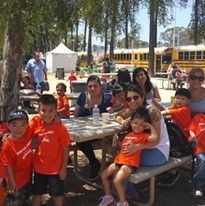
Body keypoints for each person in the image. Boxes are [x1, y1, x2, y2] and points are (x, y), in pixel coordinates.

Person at [115, 84, 170, 197]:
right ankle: (128, 194)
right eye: (129, 99)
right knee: (120, 157)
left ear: (142, 97)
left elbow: (157, 139)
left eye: (135, 97)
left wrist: (139, 146)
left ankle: (121, 198)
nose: (132, 101)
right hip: (146, 148)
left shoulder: (151, 111)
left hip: (159, 151)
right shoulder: (136, 111)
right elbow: (118, 115)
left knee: (123, 161)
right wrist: (122, 122)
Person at [99, 107, 158, 206]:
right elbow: (122, 147)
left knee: (117, 180)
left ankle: (123, 203)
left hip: (130, 163)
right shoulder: (129, 134)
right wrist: (117, 139)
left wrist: (151, 127)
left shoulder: (143, 135)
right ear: (131, 122)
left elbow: (155, 138)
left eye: (141, 124)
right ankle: (108, 197)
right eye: (135, 122)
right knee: (103, 175)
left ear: (145, 126)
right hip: (119, 161)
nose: (137, 126)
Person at [30, 94, 71, 206]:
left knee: (57, 195)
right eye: (43, 110)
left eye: (51, 111)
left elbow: (66, 148)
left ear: (56, 110)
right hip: (39, 169)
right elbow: (23, 132)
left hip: (56, 170)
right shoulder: (35, 124)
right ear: (38, 111)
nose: (47, 114)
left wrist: (64, 168)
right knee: (37, 194)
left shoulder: (60, 127)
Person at [74, 75, 112, 179]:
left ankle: (109, 167)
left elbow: (120, 105)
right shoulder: (82, 97)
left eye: (95, 86)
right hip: (85, 131)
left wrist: (111, 110)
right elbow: (76, 115)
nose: (92, 89)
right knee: (80, 140)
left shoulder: (107, 97)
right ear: (87, 87)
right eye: (90, 86)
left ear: (100, 86)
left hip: (103, 132)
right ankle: (94, 162)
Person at [1, 110, 33, 206]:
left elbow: (40, 118)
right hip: (15, 182)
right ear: (8, 125)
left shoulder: (27, 132)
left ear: (27, 125)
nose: (19, 129)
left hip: (27, 177)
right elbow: (7, 165)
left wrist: (56, 118)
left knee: (25, 199)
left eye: (22, 124)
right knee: (15, 202)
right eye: (14, 125)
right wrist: (11, 182)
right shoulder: (7, 145)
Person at [186, 67, 205, 196]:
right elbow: (175, 109)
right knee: (202, 159)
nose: (197, 80)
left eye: (200, 78)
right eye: (194, 77)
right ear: (189, 79)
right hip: (190, 131)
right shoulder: (184, 93)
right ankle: (198, 184)